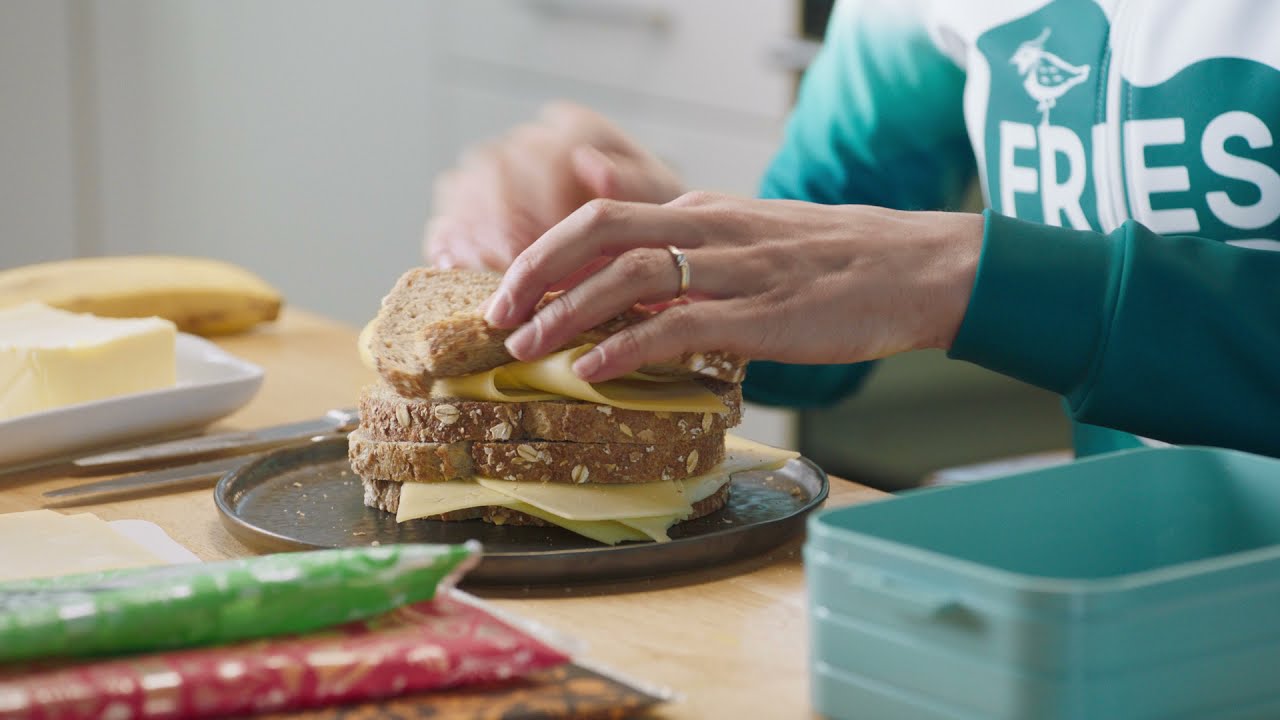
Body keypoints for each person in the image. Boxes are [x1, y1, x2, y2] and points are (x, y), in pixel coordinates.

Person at [423, 0, 1280, 460]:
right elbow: (825, 315)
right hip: (1156, 597)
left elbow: (934, 276)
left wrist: (970, 275)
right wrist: (659, 252)